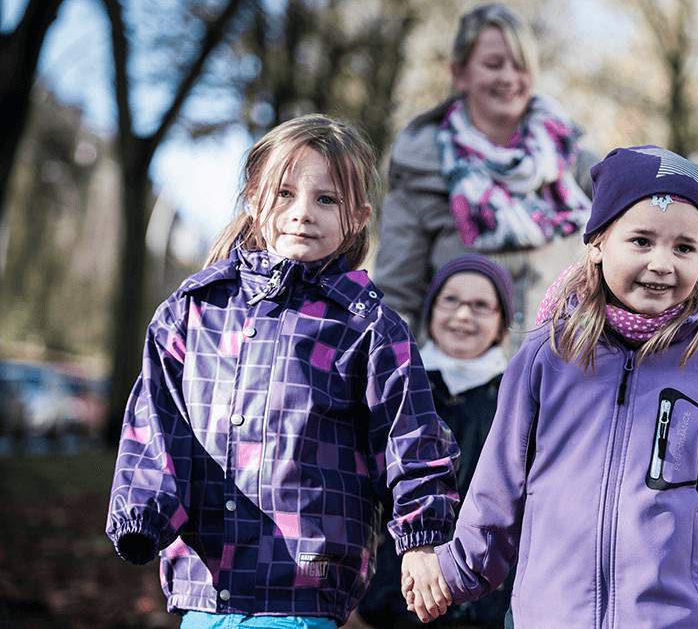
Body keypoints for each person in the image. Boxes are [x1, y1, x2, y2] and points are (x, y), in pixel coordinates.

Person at [404, 146, 698, 628]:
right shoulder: (547, 357)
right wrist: (452, 572)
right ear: (597, 243)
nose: (661, 263)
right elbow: (497, 490)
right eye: (641, 241)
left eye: (684, 248)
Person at [104, 115, 459, 628]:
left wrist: (422, 540)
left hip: (304, 592)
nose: (302, 214)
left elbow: (412, 440)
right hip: (205, 591)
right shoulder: (193, 311)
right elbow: (155, 423)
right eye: (285, 194)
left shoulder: (368, 327)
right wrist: (143, 510)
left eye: (326, 200)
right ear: (254, 197)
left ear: (356, 215)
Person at [374, 2, 698, 338]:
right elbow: (396, 295)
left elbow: (666, 217)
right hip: (459, 388)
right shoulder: (423, 171)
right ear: (460, 74)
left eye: (521, 65)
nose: (509, 78)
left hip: (562, 369)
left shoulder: (566, 158)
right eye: (493, 64)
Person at [358, 255, 517, 628]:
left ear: (500, 324)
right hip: (386, 603)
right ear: (431, 311)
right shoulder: (394, 386)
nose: (463, 316)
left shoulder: (518, 398)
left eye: (481, 306)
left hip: (483, 609)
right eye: (451, 301)